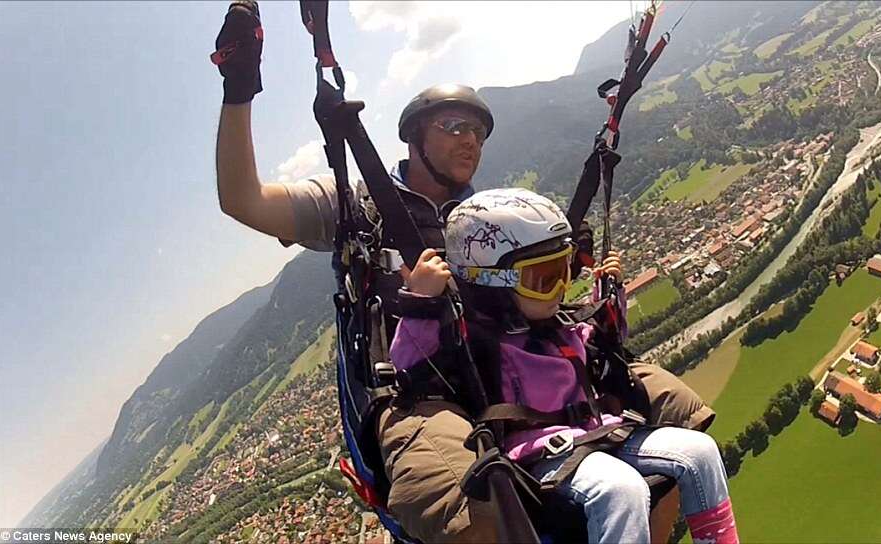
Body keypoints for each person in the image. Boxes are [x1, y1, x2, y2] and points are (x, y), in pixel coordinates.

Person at [212, 2, 716, 542]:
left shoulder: (484, 218)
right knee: (473, 505)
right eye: (454, 126)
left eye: (477, 130)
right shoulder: (357, 207)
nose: (470, 139)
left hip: (495, 370)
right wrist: (240, 88)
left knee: (672, 412)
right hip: (419, 389)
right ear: (414, 137)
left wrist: (564, 261)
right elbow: (243, 199)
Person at [392, 188, 738, 544]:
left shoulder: (561, 325)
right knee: (622, 489)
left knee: (700, 452)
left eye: (564, 269)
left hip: (601, 431)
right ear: (491, 285)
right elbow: (412, 366)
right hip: (542, 453)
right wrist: (420, 302)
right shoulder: (475, 341)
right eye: (543, 279)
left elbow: (607, 342)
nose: (560, 288)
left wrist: (608, 296)